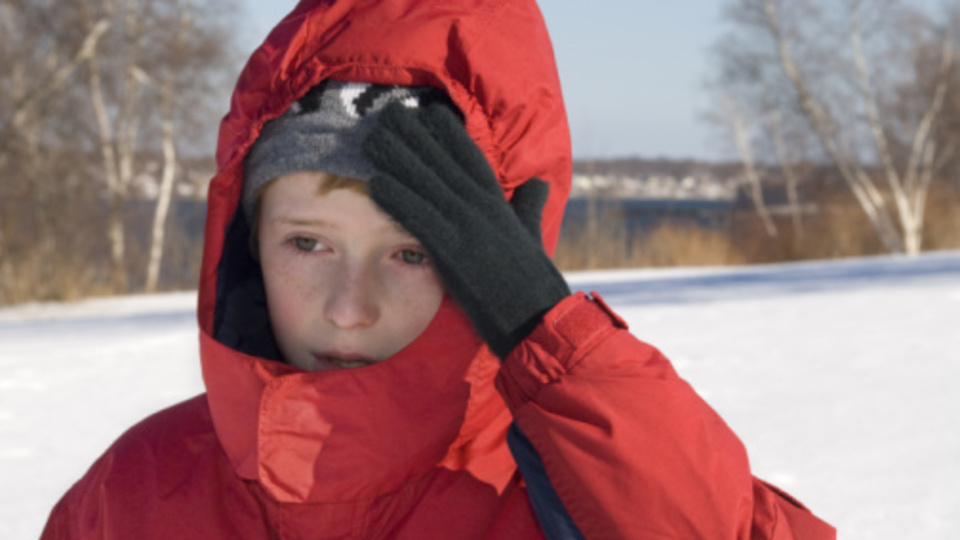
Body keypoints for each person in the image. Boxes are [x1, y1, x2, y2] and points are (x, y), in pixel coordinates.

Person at [41, 0, 836, 538]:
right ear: (246, 244)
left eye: (411, 252)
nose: (349, 309)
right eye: (307, 244)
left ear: (495, 252)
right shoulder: (138, 490)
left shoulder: (564, 489)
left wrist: (550, 341)